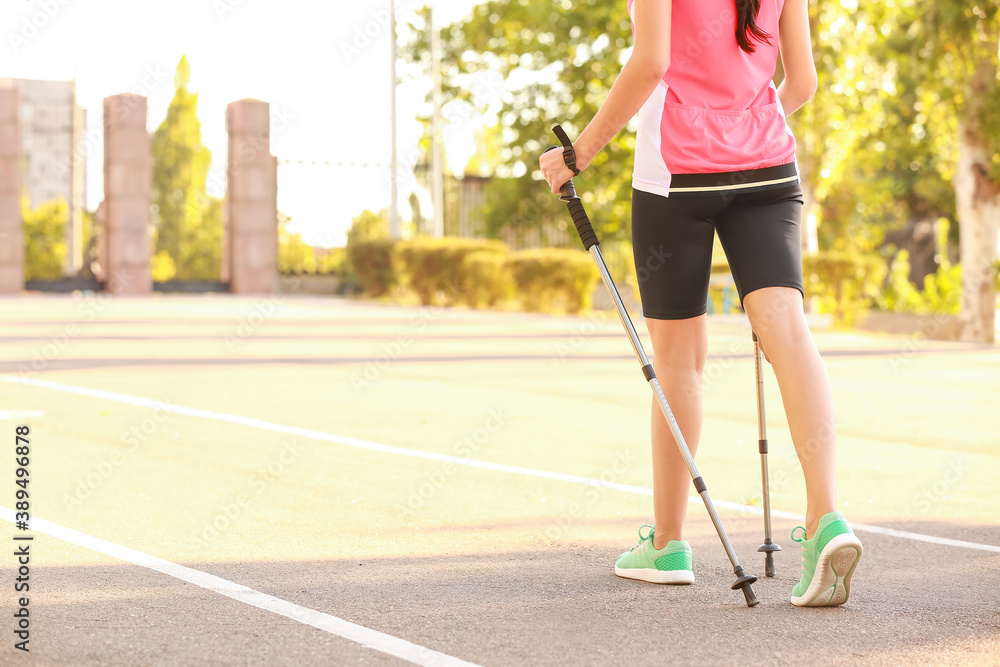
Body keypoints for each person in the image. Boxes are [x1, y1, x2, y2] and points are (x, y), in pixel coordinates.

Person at [539, 0, 863, 607]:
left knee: (679, 356)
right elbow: (803, 83)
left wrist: (577, 153)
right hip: (767, 166)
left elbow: (652, 61)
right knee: (787, 332)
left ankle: (667, 545)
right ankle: (827, 519)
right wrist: (743, 124)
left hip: (676, 172)